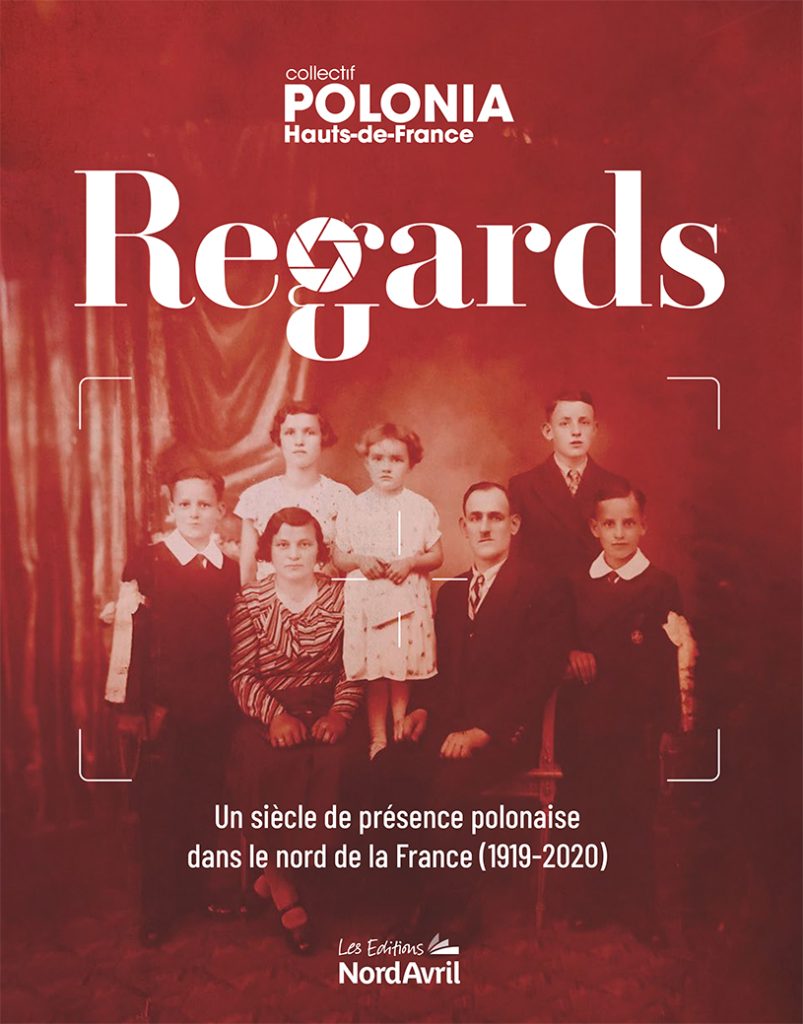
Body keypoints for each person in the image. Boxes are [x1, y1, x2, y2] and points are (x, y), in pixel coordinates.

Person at [379, 482, 568, 942]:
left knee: (449, 785)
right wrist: (421, 710)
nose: (485, 527)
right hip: (449, 728)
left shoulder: (543, 587)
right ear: (463, 527)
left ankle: (455, 911)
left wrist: (484, 731)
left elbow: (538, 675)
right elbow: (439, 670)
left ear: (513, 525)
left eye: (495, 517)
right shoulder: (452, 592)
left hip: (505, 735)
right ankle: (410, 896)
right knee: (387, 767)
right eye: (476, 518)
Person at [105, 467, 240, 947]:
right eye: (185, 505)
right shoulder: (148, 562)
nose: (194, 513)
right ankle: (158, 907)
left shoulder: (229, 569)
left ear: (220, 511)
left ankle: (198, 892)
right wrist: (132, 706)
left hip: (214, 706)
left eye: (204, 505)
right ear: (171, 509)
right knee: (160, 807)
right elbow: (130, 639)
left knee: (206, 801)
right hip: (163, 707)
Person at [228, 507, 362, 954]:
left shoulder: (341, 597)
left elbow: (353, 667)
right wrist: (274, 717)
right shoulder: (250, 601)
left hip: (324, 708)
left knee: (338, 764)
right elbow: (242, 675)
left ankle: (277, 874)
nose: (293, 554)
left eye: (305, 544)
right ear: (269, 551)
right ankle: (282, 884)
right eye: (283, 545)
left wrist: (340, 714)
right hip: (269, 712)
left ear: (320, 551)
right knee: (264, 765)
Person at [562, 483, 684, 947]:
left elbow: (673, 658)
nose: (619, 533)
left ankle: (641, 910)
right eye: (609, 524)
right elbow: (560, 637)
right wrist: (570, 652)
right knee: (590, 809)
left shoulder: (660, 584)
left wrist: (670, 726)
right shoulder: (577, 582)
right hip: (586, 718)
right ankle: (592, 902)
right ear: (594, 528)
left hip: (637, 722)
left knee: (635, 813)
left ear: (643, 526)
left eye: (628, 523)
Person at [333, 423, 443, 761]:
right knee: (376, 673)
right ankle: (378, 737)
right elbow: (338, 557)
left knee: (400, 667)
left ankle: (399, 726)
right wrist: (359, 560)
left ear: (410, 464)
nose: (386, 466)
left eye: (396, 459)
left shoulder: (420, 507)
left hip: (405, 601)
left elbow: (437, 556)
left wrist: (410, 562)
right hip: (369, 603)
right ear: (366, 462)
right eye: (378, 458)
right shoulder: (354, 507)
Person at [509, 389, 627, 579]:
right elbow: (515, 560)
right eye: (565, 423)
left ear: (594, 429)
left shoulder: (616, 486)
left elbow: (624, 555)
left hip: (599, 592)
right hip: (541, 594)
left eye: (584, 422)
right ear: (548, 431)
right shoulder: (523, 487)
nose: (576, 431)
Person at [235, 401, 353, 584]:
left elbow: (351, 565)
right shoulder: (255, 496)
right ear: (279, 439)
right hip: (267, 599)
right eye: (290, 433)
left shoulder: (341, 497)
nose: (299, 441)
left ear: (322, 438)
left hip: (325, 598)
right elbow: (248, 572)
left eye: (309, 432)